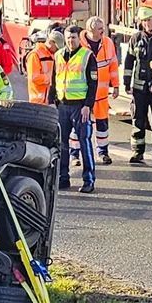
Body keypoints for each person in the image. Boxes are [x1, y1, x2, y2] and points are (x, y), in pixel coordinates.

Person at [49, 24, 97, 192]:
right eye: (68, 38)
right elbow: (54, 80)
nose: (70, 41)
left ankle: (88, 180)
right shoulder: (58, 55)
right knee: (62, 144)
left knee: (84, 142)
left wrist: (88, 106)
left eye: (73, 37)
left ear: (79, 38)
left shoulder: (87, 56)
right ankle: (63, 178)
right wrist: (51, 101)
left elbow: (93, 83)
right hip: (63, 105)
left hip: (79, 106)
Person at [125, 5, 152, 164]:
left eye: (149, 20)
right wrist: (127, 83)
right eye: (144, 21)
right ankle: (137, 152)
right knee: (138, 120)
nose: (147, 23)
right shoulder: (136, 39)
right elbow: (129, 61)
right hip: (139, 88)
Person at [85, 16, 120, 164]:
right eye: (100, 29)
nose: (103, 31)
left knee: (102, 125)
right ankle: (75, 155)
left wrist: (116, 85)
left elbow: (113, 65)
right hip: (83, 94)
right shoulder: (80, 44)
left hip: (101, 95)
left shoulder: (107, 43)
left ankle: (103, 152)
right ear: (90, 30)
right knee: (80, 126)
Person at [26, 27, 60, 105]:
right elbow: (34, 77)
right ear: (51, 42)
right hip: (37, 102)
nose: (57, 50)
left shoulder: (52, 55)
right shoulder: (35, 55)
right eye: (57, 47)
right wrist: (50, 78)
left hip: (48, 100)